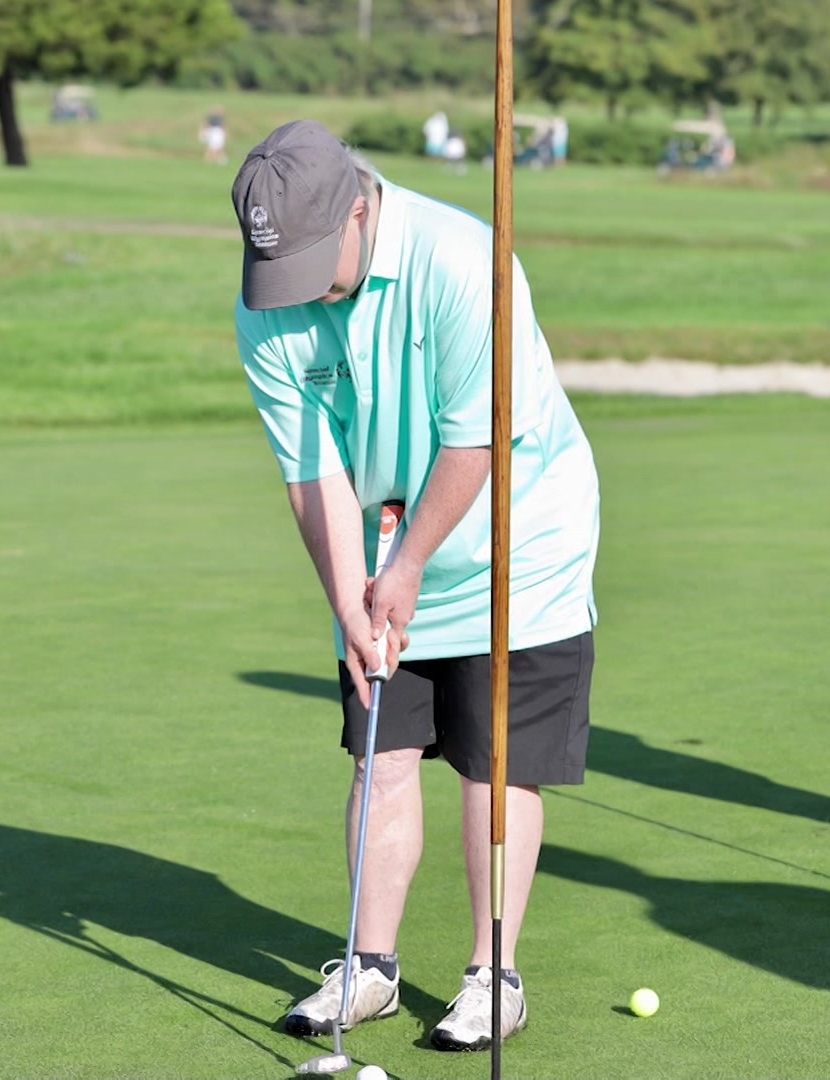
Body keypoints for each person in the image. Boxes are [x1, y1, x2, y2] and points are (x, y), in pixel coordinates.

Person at [228, 120, 601, 1052]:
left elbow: (476, 440)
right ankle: (370, 968)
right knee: (380, 752)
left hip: (519, 538)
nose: (296, 291)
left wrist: (405, 569)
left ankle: (492, 975)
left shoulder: (464, 266)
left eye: (312, 264)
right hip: (383, 538)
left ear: (357, 211)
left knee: (491, 759)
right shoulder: (267, 299)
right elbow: (311, 469)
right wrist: (349, 598)